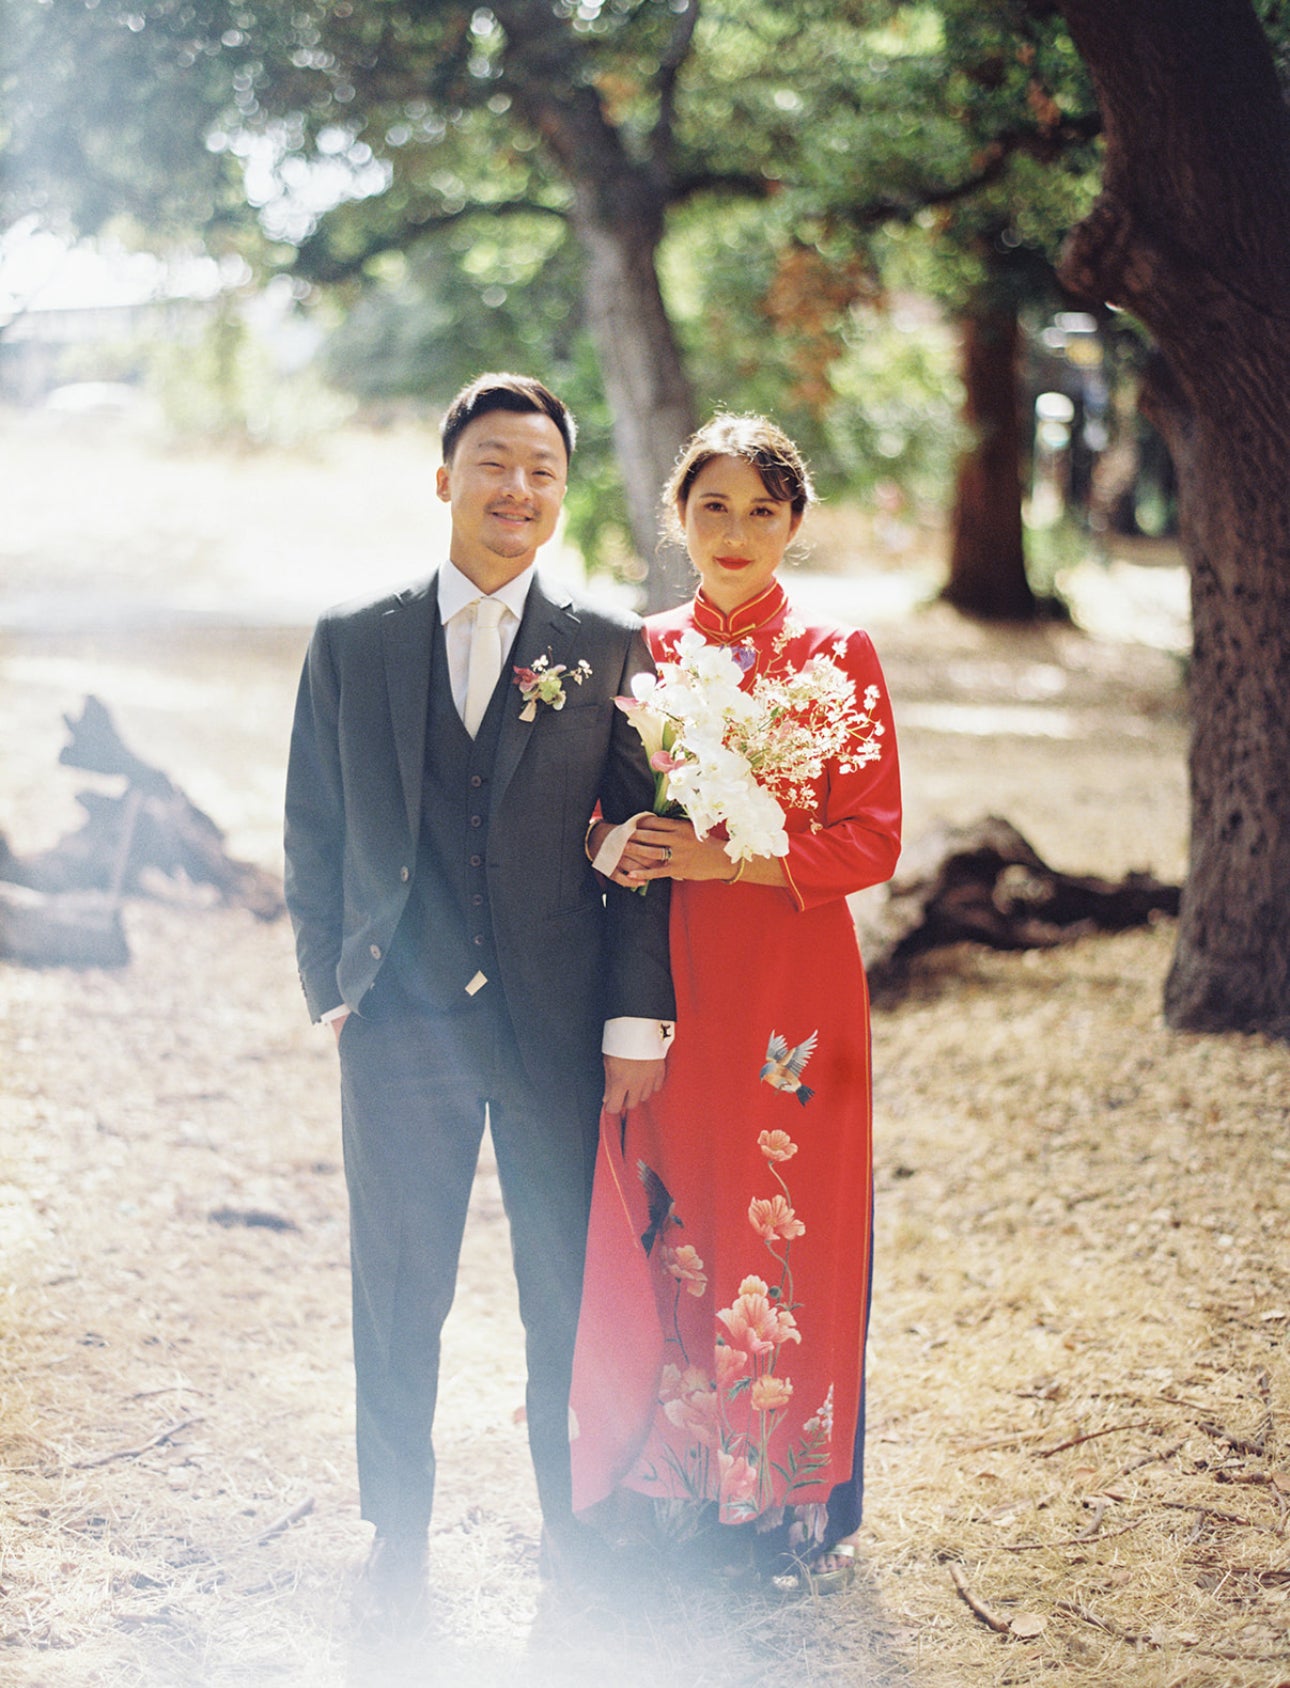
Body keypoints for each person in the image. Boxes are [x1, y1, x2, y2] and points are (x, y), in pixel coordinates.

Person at [283, 373, 675, 1630]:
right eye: (495, 462)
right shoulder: (353, 637)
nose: (520, 489)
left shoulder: (610, 644)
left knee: (562, 1270)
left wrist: (633, 1021)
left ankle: (573, 1508)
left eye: (544, 470)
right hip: (396, 1013)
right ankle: (397, 1517)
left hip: (557, 1018)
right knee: (400, 1276)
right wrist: (329, 983)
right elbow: (313, 823)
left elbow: (647, 841)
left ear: (564, 491)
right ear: (445, 475)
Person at [570, 414, 901, 1594]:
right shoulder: (633, 651)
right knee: (673, 1206)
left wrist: (732, 860)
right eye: (713, 506)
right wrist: (627, 844)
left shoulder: (836, 654)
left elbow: (873, 838)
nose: (737, 532)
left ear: (797, 524)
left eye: (764, 510)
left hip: (790, 982)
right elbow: (587, 819)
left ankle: (774, 1496)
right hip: (658, 982)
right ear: (677, 516)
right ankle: (663, 1484)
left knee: (778, 1213)